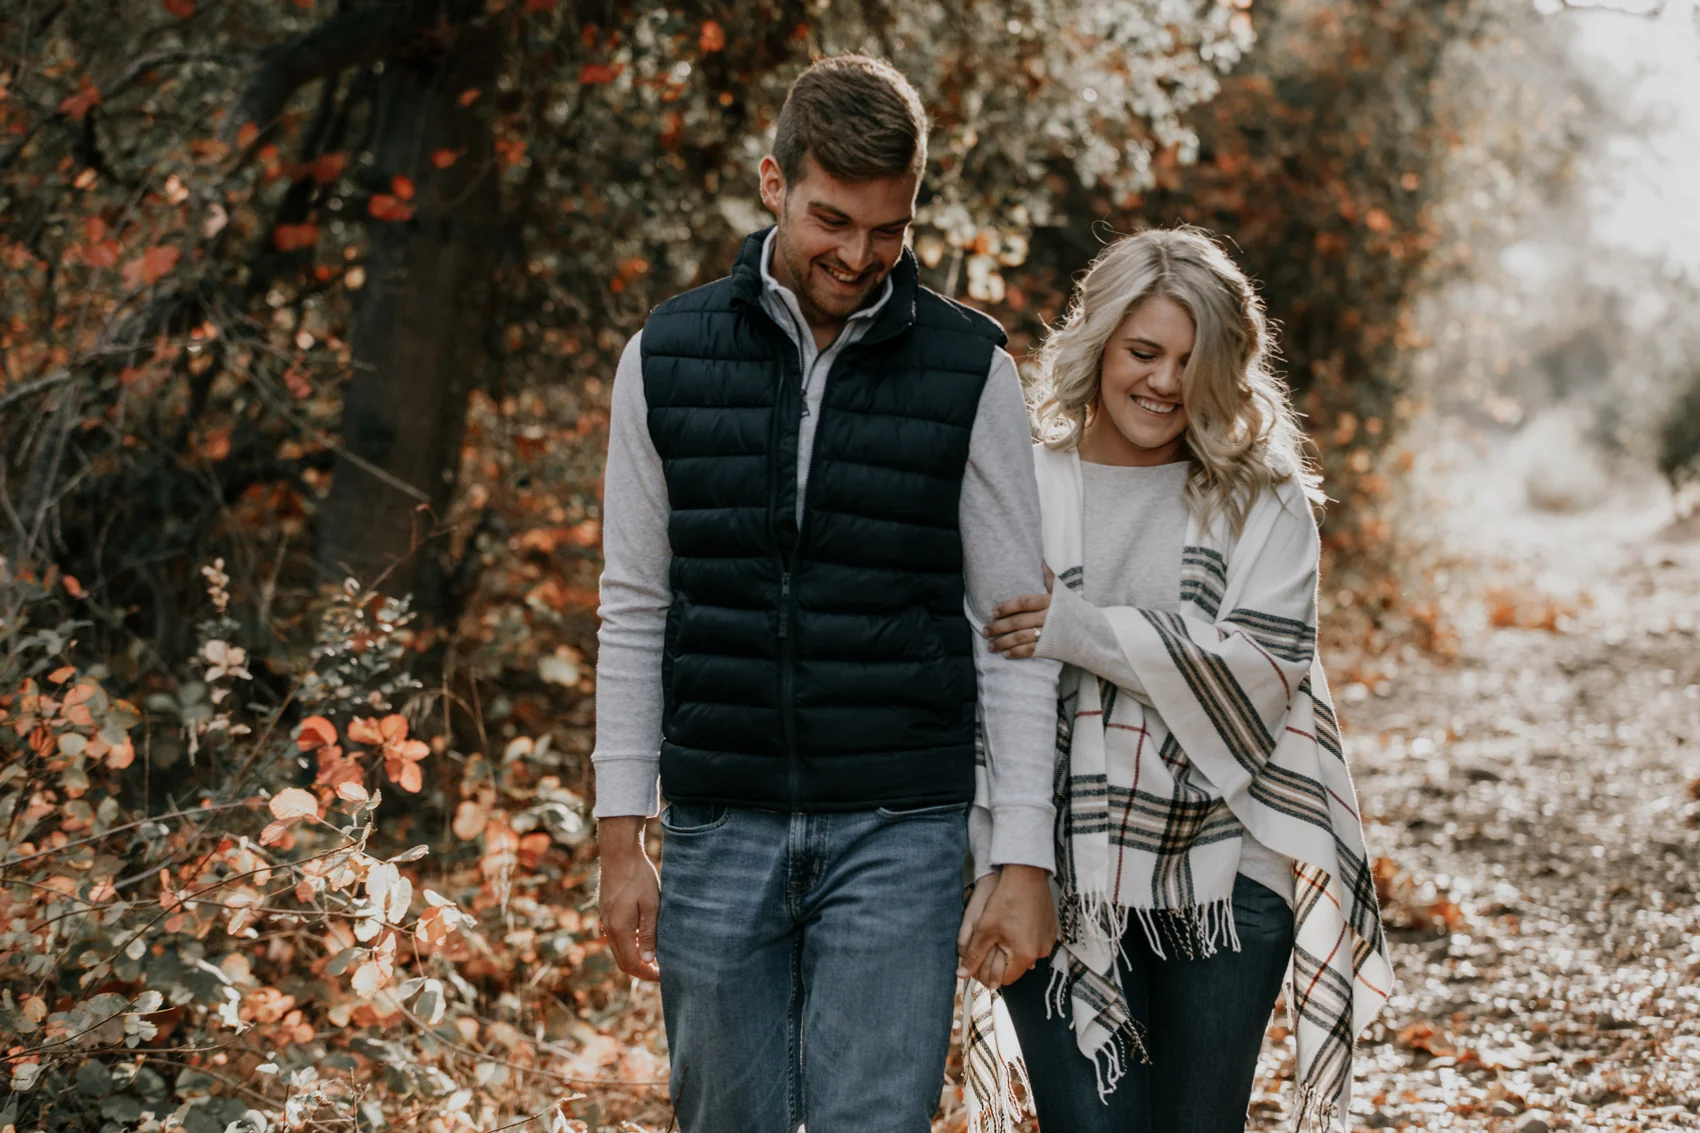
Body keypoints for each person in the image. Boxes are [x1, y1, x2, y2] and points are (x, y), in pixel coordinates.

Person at [591, 55, 1062, 1133]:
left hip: (900, 824)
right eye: (831, 220)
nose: (858, 255)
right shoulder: (662, 357)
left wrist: (1020, 852)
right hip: (720, 818)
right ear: (772, 185)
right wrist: (622, 837)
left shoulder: (970, 369)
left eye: (887, 229)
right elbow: (633, 607)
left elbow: (1013, 631)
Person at [957, 228, 1393, 1133]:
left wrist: (1077, 631)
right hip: (1057, 865)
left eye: (1190, 362)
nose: (1162, 382)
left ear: (1225, 370)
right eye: (1142, 351)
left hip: (1231, 869)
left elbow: (1262, 675)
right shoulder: (1027, 482)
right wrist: (1001, 852)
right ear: (1101, 345)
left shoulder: (1263, 498)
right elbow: (993, 677)